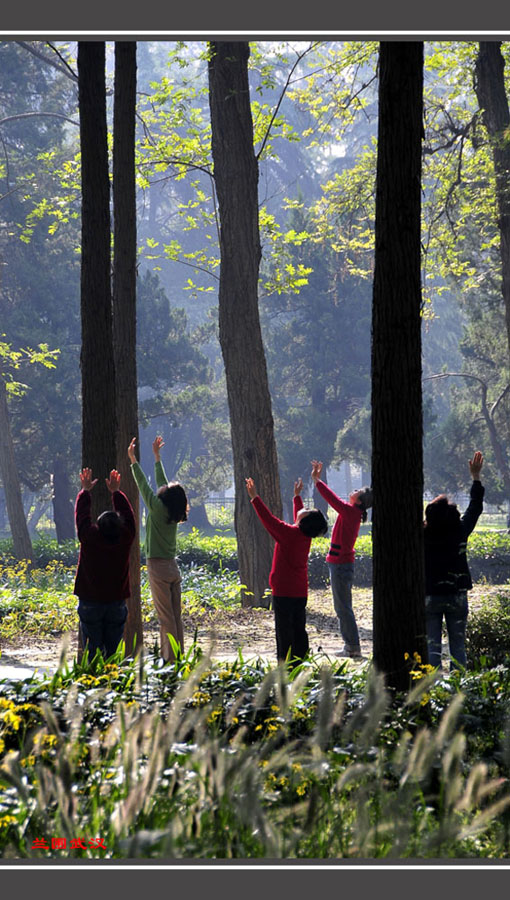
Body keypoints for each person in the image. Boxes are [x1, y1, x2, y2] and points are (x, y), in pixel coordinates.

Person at [245, 475, 328, 666]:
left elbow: (269, 520)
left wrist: (255, 497)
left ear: (303, 522)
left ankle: (286, 664)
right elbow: (299, 518)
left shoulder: (289, 534)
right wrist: (296, 497)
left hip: (284, 591)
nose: (302, 510)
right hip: (300, 591)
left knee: (284, 630)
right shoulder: (303, 535)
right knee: (299, 628)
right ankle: (301, 661)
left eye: (305, 511)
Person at [128, 435, 188, 663]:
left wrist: (133, 460)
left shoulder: (156, 508)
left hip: (158, 568)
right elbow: (164, 485)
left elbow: (143, 484)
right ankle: (178, 655)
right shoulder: (175, 512)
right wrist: (156, 457)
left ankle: (170, 660)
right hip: (173, 567)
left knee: (165, 618)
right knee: (176, 616)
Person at [424, 451, 484, 671]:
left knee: (432, 646)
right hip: (457, 593)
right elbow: (475, 507)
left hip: (430, 593)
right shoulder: (460, 530)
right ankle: (459, 686)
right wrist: (475, 477)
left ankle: (432, 688)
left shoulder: (422, 535)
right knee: (458, 644)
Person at [310, 460, 373, 659]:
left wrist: (317, 481)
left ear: (360, 501)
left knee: (343, 607)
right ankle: (350, 645)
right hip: (338, 563)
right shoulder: (353, 512)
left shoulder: (350, 512)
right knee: (342, 606)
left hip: (340, 565)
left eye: (357, 491)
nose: (352, 491)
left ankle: (352, 646)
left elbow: (331, 499)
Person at [74, 467, 136, 661]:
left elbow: (81, 517)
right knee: (112, 651)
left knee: (91, 650)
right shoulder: (125, 538)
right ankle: (111, 683)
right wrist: (116, 492)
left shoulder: (90, 538)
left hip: (90, 601)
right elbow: (130, 518)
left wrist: (85, 491)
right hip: (116, 602)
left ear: (97, 526)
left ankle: (92, 684)